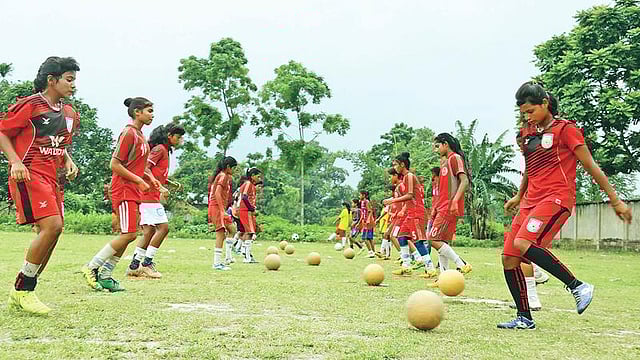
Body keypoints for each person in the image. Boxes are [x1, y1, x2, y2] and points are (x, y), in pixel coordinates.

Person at [498, 81, 632, 330]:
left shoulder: (566, 130)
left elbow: (591, 166)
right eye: (523, 113)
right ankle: (524, 318)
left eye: (531, 111)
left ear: (545, 104)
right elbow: (530, 167)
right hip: (531, 201)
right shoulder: (528, 133)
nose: (527, 117)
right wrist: (519, 196)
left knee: (523, 243)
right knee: (509, 258)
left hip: (556, 198)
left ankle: (578, 286)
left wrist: (615, 201)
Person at [2, 56, 80, 314]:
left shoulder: (69, 113)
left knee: (54, 232)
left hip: (52, 177)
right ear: (51, 80)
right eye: (69, 80)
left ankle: (24, 290)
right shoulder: (31, 105)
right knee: (52, 225)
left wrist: (68, 161)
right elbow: (2, 131)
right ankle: (23, 289)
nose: (73, 85)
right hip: (30, 172)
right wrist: (15, 162)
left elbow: (59, 143)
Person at [82, 97, 158, 292]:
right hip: (123, 189)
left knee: (130, 234)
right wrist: (138, 180)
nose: (152, 114)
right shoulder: (129, 133)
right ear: (137, 112)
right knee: (129, 234)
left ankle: (106, 275)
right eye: (149, 110)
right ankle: (91, 267)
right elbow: (114, 165)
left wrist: (148, 179)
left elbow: (137, 166)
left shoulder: (141, 136)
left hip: (133, 190)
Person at [127, 123, 184, 278]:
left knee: (149, 231)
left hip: (147, 194)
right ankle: (147, 263)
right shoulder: (160, 149)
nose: (180, 140)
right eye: (178, 137)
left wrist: (169, 183)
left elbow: (155, 173)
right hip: (148, 195)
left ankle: (134, 265)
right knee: (163, 228)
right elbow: (144, 168)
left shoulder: (164, 151)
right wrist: (159, 187)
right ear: (169, 136)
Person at [427, 134, 472, 278]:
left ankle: (462, 264)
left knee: (432, 239)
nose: (436, 150)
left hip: (449, 207)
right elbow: (443, 189)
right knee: (441, 241)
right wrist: (435, 207)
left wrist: (454, 201)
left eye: (437, 146)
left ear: (445, 144)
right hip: (442, 206)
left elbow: (464, 181)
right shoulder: (444, 162)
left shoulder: (455, 158)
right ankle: (443, 277)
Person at [385, 153, 434, 276]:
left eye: (395, 165)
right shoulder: (405, 178)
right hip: (410, 213)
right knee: (401, 236)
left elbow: (410, 195)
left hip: (417, 212)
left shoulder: (409, 176)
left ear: (402, 164)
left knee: (418, 241)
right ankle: (406, 265)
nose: (394, 167)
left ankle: (430, 268)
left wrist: (393, 200)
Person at [208, 156, 238, 270]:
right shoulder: (223, 176)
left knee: (232, 230)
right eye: (234, 168)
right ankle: (216, 263)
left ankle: (228, 257)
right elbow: (217, 193)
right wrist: (221, 210)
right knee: (221, 232)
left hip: (219, 208)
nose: (235, 171)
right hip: (216, 208)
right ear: (228, 167)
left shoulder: (225, 176)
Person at [235, 167, 261, 263]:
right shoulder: (248, 184)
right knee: (249, 232)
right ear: (252, 176)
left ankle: (246, 254)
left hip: (246, 210)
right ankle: (247, 257)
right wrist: (251, 208)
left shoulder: (251, 185)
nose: (259, 179)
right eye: (258, 176)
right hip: (245, 211)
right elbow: (244, 197)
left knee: (247, 232)